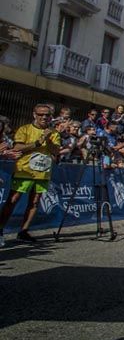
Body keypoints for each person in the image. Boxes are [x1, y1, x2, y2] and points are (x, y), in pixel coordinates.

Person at [0, 104, 61, 246]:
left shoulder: (53, 132)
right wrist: (37, 142)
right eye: (41, 114)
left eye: (47, 115)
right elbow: (17, 147)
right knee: (13, 200)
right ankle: (0, 229)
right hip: (24, 170)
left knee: (34, 202)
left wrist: (48, 139)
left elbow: (56, 151)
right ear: (34, 115)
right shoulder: (25, 129)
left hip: (43, 172)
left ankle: (23, 231)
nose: (44, 117)